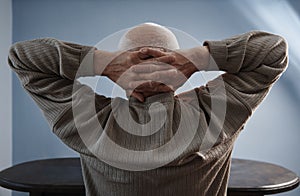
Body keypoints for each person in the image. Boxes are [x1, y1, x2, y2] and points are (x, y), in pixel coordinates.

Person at [8, 23, 288, 196]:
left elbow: (23, 57)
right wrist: (198, 59)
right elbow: (274, 51)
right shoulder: (215, 113)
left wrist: (104, 64)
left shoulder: (91, 122)